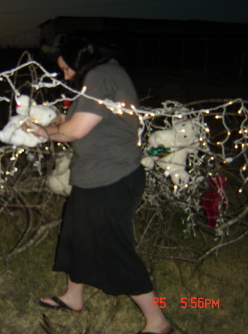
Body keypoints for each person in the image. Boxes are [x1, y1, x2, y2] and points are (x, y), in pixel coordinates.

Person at [25, 38, 172, 334]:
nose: (66, 76)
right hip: (92, 175)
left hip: (112, 177)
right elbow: (71, 121)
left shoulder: (102, 75)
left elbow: (76, 130)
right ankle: (73, 297)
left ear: (80, 61)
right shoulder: (99, 79)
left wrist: (44, 132)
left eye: (67, 68)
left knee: (112, 246)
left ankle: (158, 321)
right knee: (75, 236)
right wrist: (45, 126)